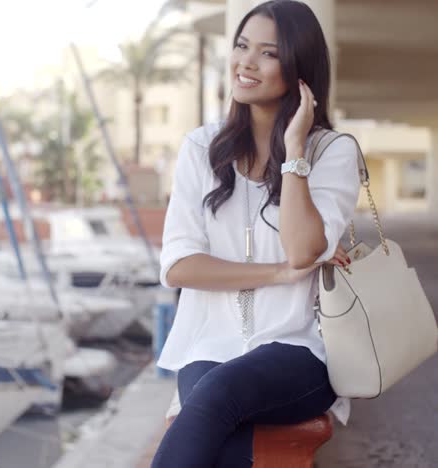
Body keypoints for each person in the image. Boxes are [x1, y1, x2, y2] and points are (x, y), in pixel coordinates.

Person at [151, 1, 360, 466]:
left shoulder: (333, 151)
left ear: (300, 68)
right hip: (209, 344)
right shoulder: (201, 148)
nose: (246, 62)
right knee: (221, 427)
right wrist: (277, 273)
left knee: (217, 395)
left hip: (300, 349)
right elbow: (180, 265)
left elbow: (303, 250)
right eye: (242, 46)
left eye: (267, 53)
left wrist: (293, 154)